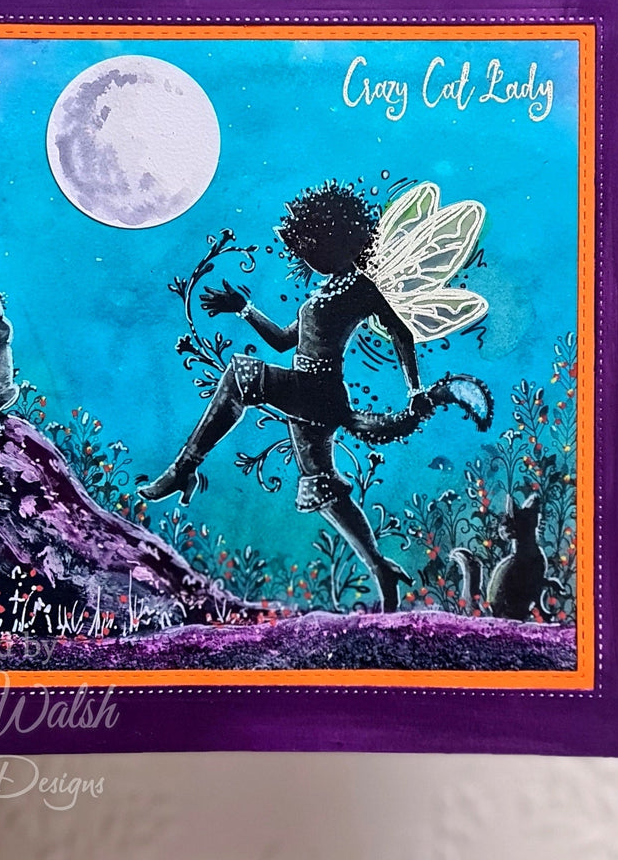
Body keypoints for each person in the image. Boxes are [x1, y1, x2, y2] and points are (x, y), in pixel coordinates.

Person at [138, 182, 429, 611]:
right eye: (304, 249)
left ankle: (184, 469)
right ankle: (380, 568)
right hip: (307, 396)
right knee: (322, 487)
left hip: (317, 391)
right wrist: (244, 308)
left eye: (313, 246)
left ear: (340, 238)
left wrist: (415, 389)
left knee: (240, 375)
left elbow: (401, 332)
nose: (307, 257)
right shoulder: (323, 293)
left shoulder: (361, 288)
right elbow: (281, 342)